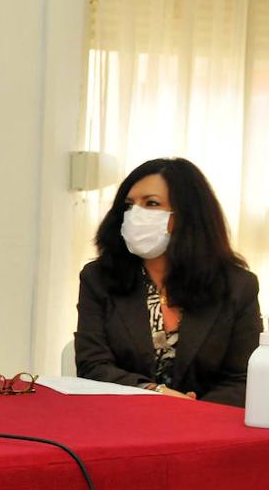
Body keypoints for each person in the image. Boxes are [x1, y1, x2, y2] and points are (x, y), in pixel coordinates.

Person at [76, 157, 261, 405]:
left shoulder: (238, 285)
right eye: (129, 205)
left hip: (209, 426)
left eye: (151, 203)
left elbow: (244, 378)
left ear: (188, 215)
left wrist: (194, 412)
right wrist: (155, 392)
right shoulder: (98, 277)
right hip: (123, 417)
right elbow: (92, 365)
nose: (135, 215)